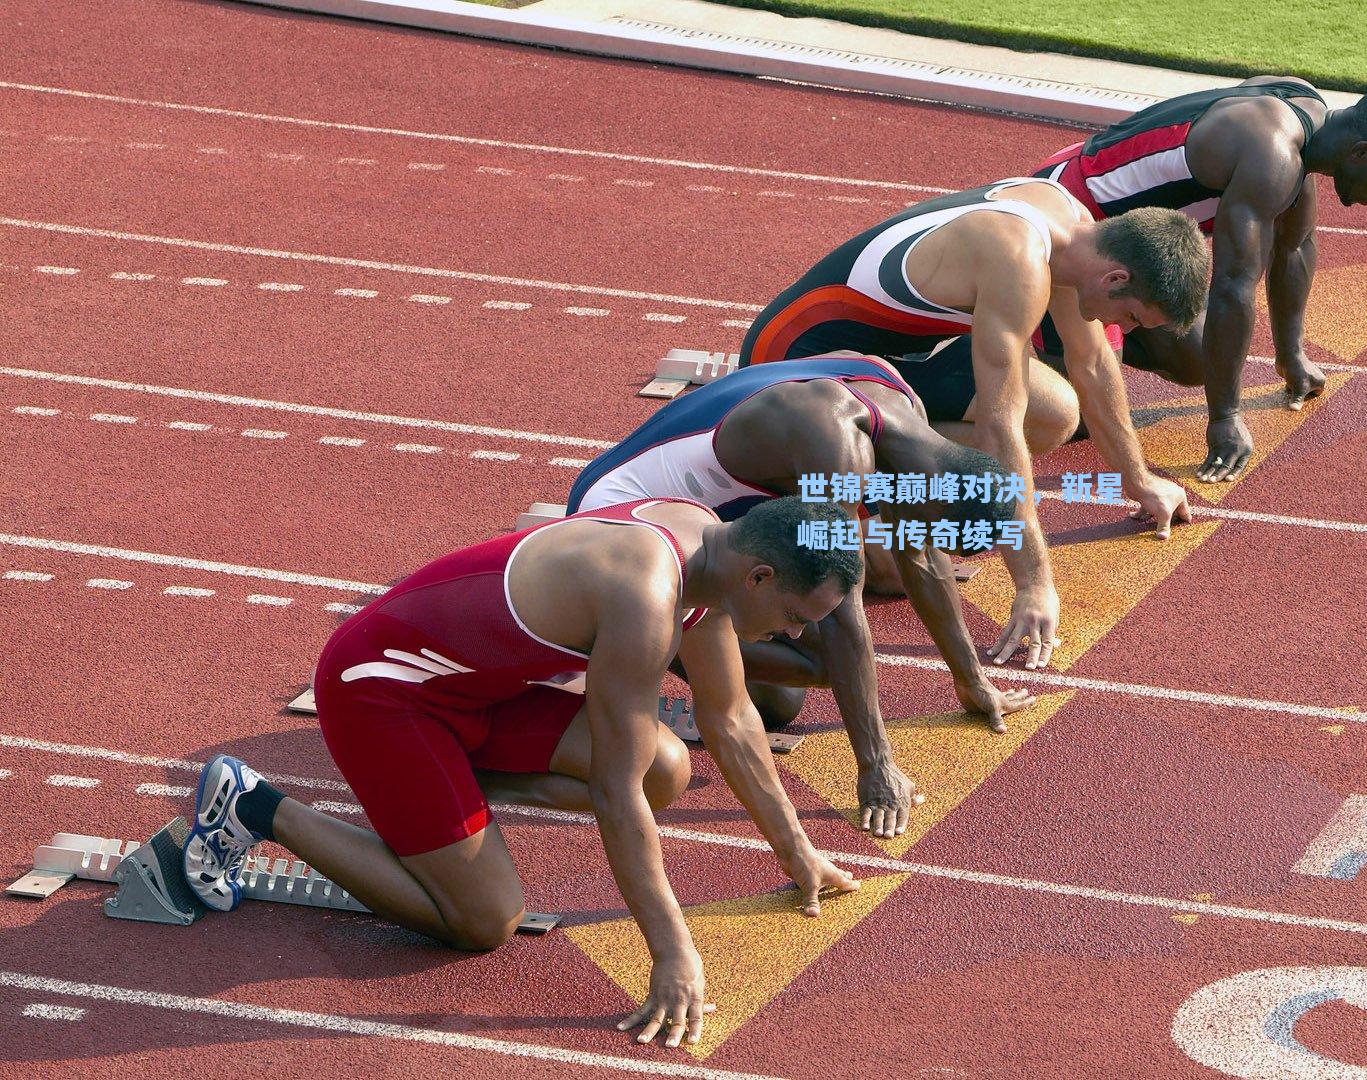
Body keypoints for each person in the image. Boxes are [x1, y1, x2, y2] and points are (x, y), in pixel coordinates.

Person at [182, 496, 861, 1050]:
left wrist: (797, 854)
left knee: (667, 767)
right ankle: (255, 806)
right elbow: (613, 793)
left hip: (473, 695)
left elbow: (734, 718)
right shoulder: (645, 595)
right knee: (485, 920)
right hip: (382, 692)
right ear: (761, 577)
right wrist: (672, 952)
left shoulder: (709, 550)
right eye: (799, 619)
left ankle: (435, 807)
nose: (798, 637)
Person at [567, 352, 1042, 838]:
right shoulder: (836, 453)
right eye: (934, 534)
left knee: (790, 695)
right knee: (815, 666)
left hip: (700, 519)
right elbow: (841, 604)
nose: (919, 543)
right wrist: (876, 766)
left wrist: (971, 680)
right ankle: (646, 648)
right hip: (619, 516)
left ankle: (687, 651)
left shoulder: (906, 418)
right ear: (934, 500)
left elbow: (919, 557)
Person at [739, 176, 1211, 664]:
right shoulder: (1019, 261)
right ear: (1116, 279)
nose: (1123, 330)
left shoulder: (1076, 231)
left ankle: (881, 461)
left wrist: (1137, 479)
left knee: (1054, 413)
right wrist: (1033, 583)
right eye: (1131, 318)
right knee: (892, 568)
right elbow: (998, 426)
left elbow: (1091, 363)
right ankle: (852, 464)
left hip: (882, 355)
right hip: (791, 361)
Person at [1034, 82, 1367, 482]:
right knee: (1077, 414)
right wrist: (1225, 417)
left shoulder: (1305, 115)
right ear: (1361, 152)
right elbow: (1232, 286)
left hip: (1115, 235)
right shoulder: (1272, 155)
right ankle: (1015, 335)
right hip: (1071, 219)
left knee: (1197, 355)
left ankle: (1082, 337)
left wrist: (1291, 355)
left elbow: (1294, 245)